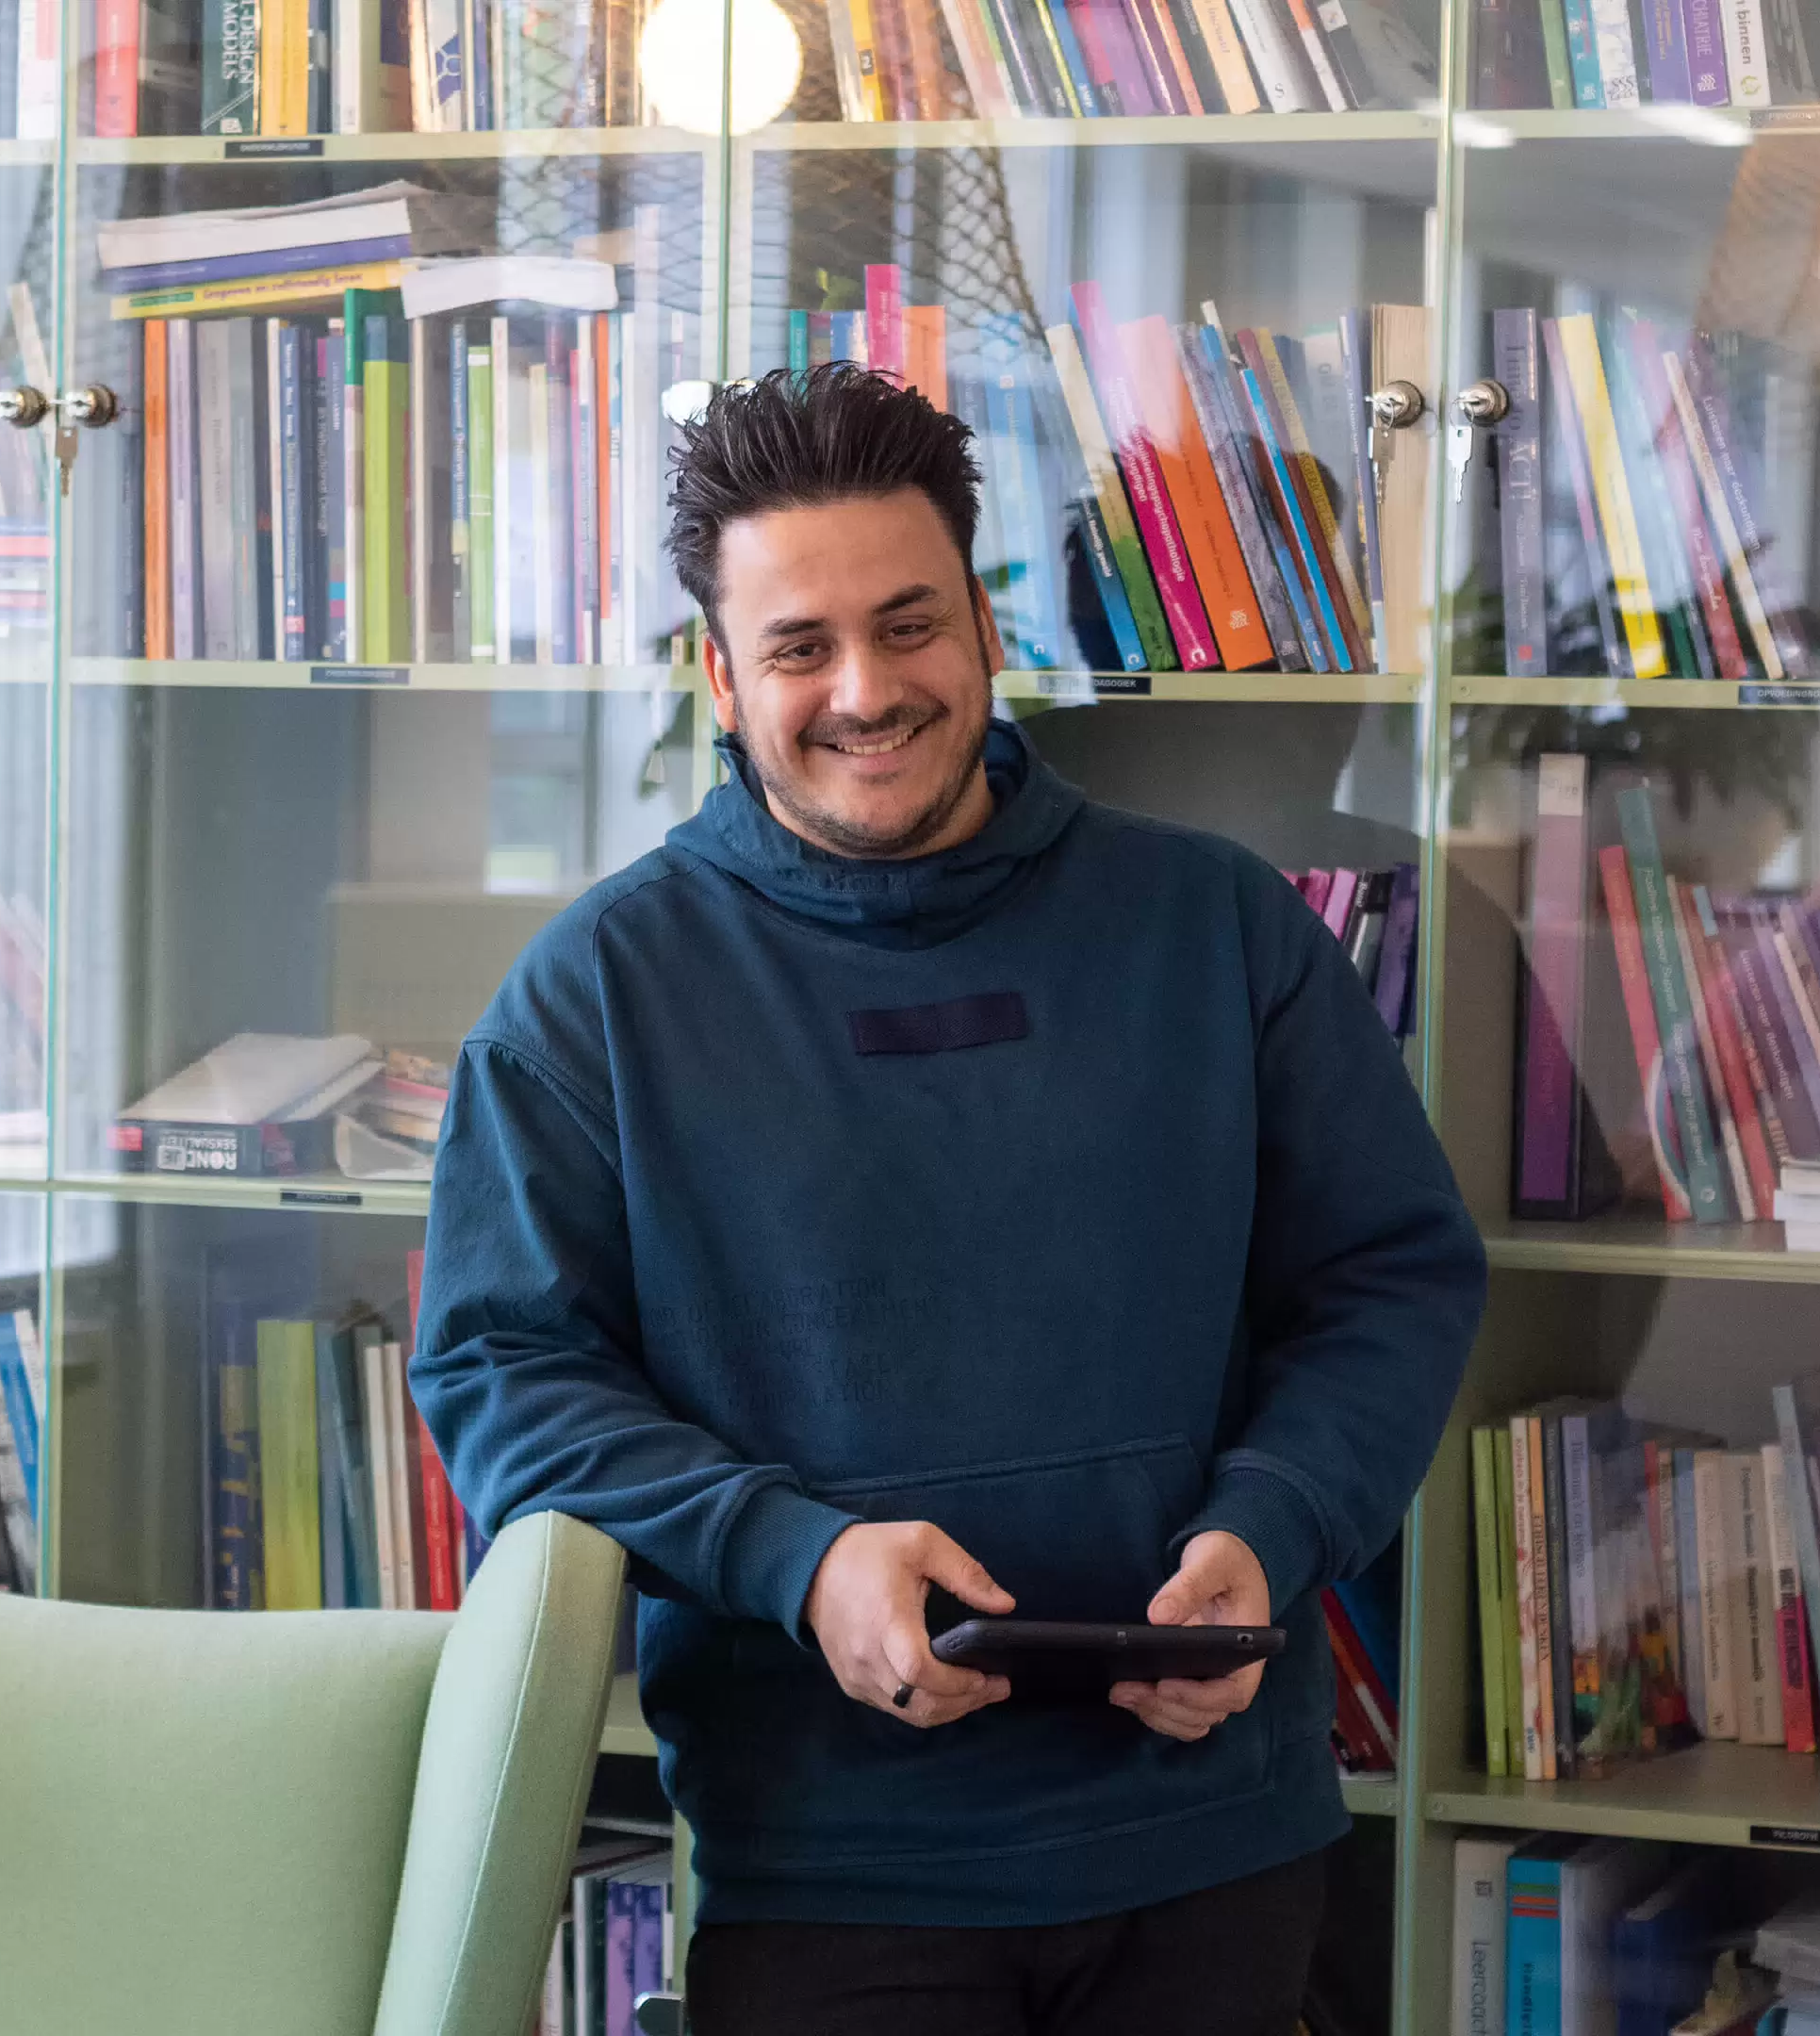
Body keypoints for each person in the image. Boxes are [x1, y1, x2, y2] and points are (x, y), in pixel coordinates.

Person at [411, 363, 1486, 2036]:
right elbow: (503, 1378)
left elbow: (1391, 1280)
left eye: (909, 625)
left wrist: (1272, 1528)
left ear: (985, 626)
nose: (864, 689)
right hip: (836, 1872)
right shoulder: (594, 998)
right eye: (798, 647)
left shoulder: (1217, 928)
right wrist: (796, 1557)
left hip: (1217, 1840)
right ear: (719, 674)